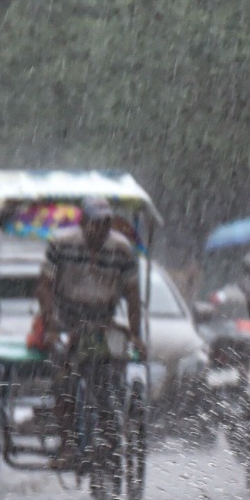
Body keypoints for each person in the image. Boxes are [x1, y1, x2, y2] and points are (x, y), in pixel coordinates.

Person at [36, 196, 146, 468]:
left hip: (103, 323)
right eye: (95, 223)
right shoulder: (61, 244)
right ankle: (68, 443)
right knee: (63, 377)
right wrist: (50, 324)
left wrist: (135, 333)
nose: (101, 230)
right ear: (83, 222)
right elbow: (45, 286)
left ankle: (110, 431)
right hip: (67, 322)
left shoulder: (122, 250)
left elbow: (132, 295)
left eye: (106, 223)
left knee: (109, 379)